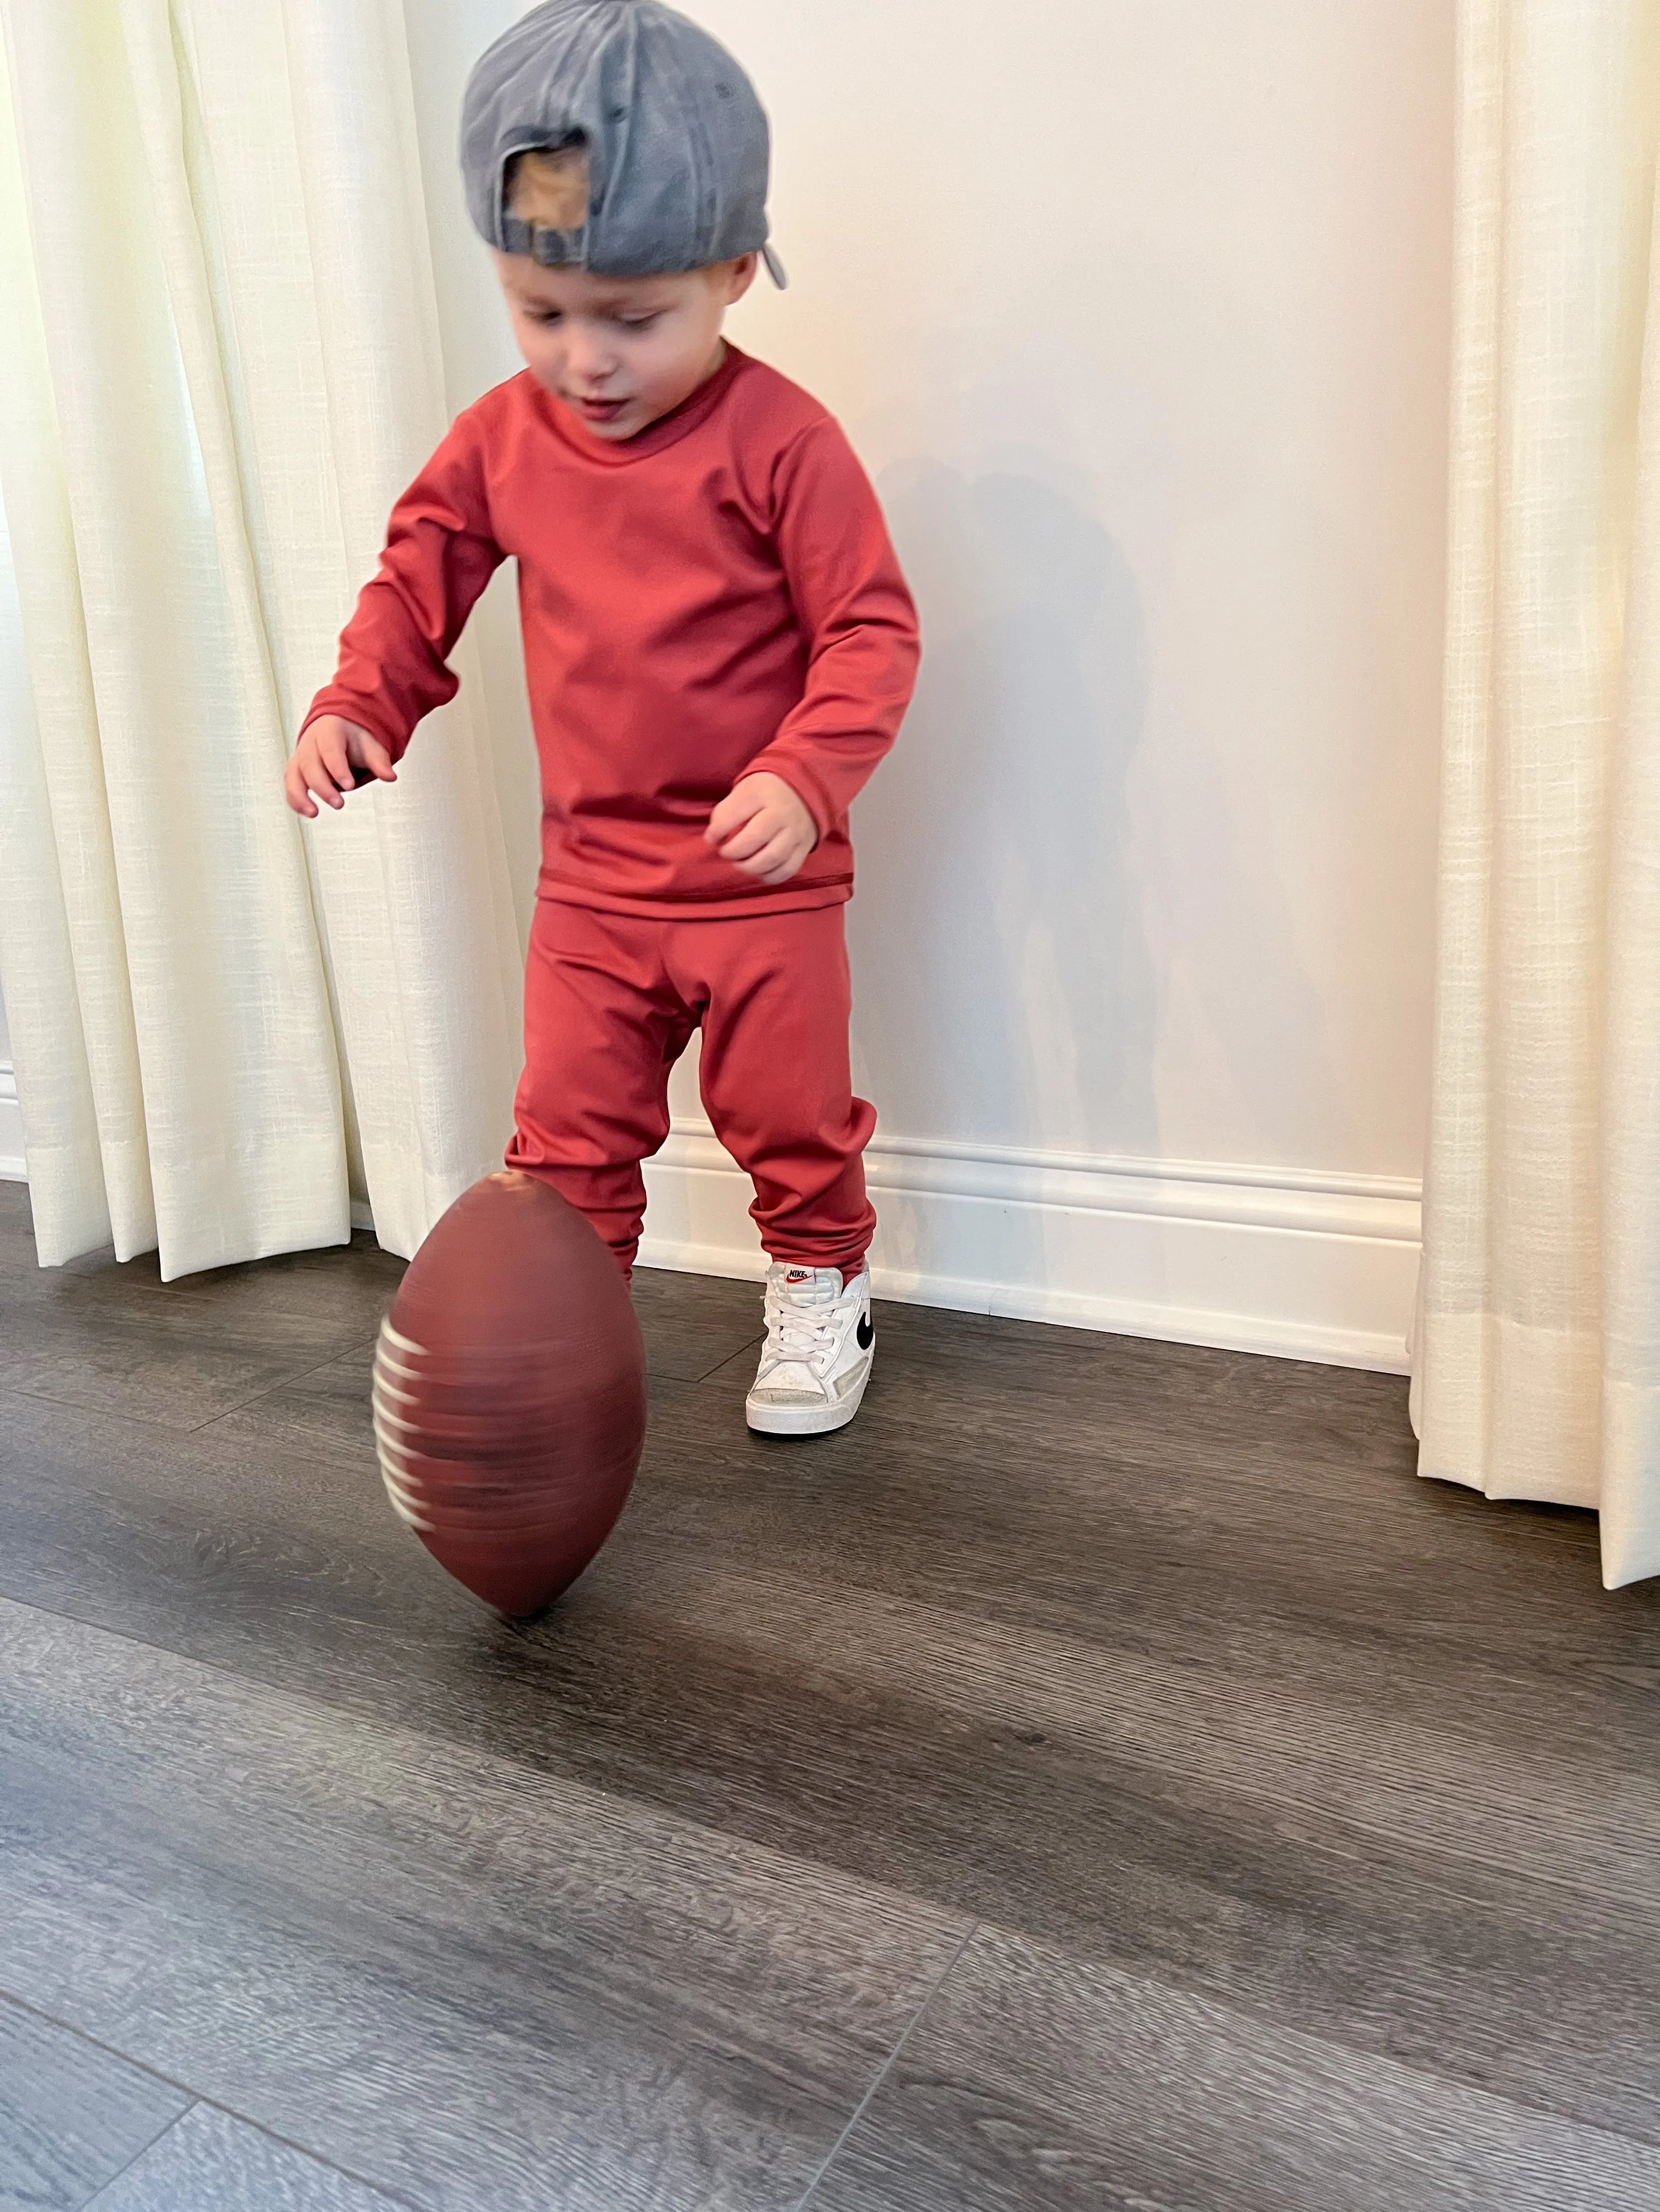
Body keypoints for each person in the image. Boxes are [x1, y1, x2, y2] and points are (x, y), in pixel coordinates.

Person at [284, 0, 919, 1436]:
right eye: (541, 312)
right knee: (565, 1142)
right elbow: (418, 575)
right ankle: (562, 1342)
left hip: (762, 882)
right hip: (593, 889)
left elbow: (873, 627)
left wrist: (808, 774)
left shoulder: (782, 444)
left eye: (634, 318)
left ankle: (827, 1283)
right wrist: (359, 705)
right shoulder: (504, 442)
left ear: (734, 270)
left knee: (791, 1123)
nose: (586, 360)